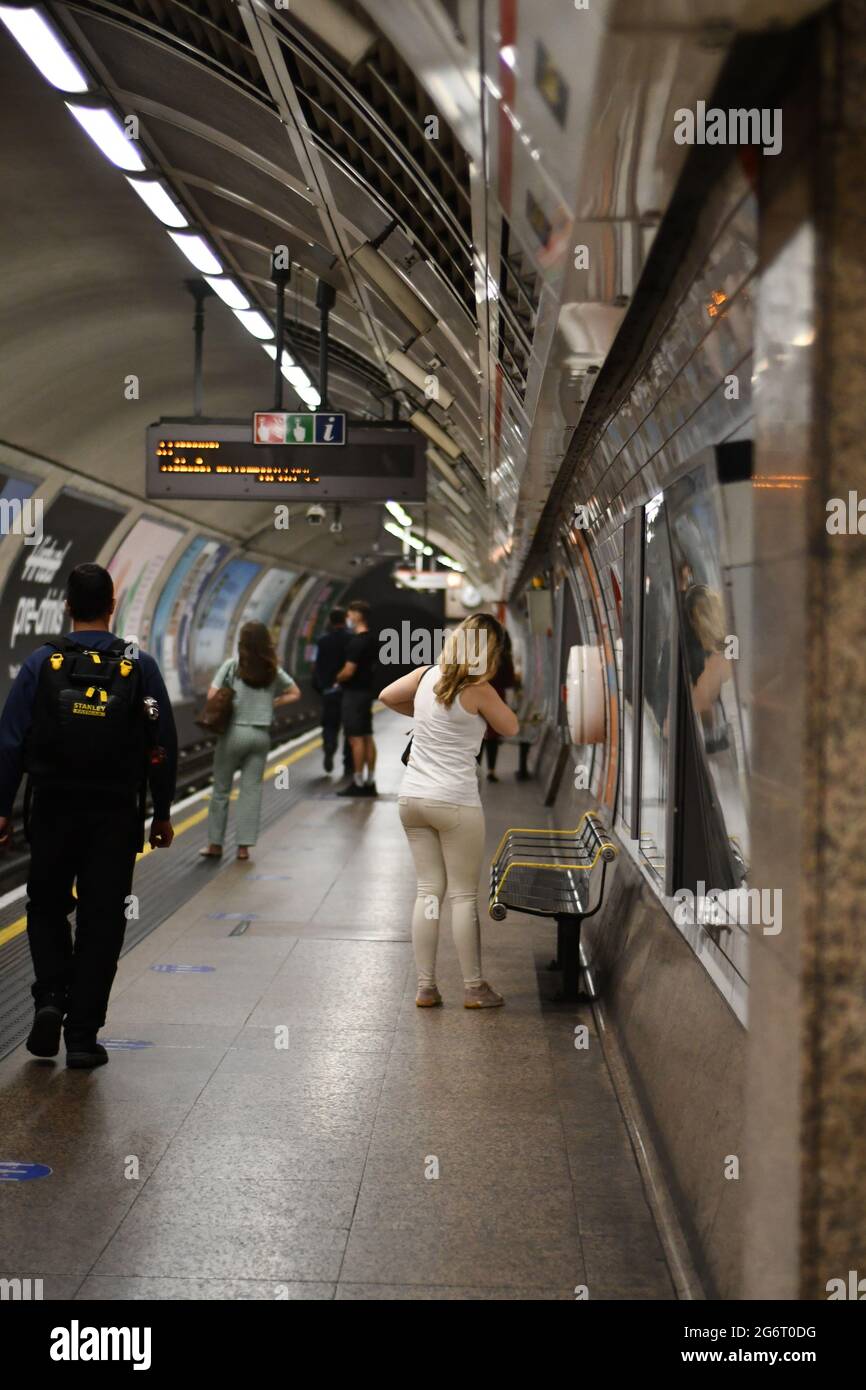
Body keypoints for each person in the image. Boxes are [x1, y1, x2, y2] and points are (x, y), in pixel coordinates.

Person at [0, 563, 178, 1069]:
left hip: (53, 806)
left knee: (47, 905)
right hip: (115, 812)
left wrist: (1, 809)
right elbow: (161, 743)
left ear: (67, 606)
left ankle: (50, 997)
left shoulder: (41, 664)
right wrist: (161, 811)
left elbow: (9, 741)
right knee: (103, 918)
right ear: (113, 605)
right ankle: (81, 1035)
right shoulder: (138, 665)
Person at [380, 613, 519, 1009]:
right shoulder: (480, 689)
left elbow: (387, 696)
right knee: (461, 896)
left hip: (412, 801)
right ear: (491, 651)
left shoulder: (425, 675)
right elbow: (509, 727)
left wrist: (425, 716)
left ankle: (426, 987)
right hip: (455, 802)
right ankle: (474, 989)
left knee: (427, 891)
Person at [200, 621, 301, 862]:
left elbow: (212, 695)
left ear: (242, 643)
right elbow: (296, 692)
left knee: (221, 790)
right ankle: (243, 848)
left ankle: (215, 845)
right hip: (260, 736)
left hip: (233, 734)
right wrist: (273, 703)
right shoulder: (272, 670)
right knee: (251, 791)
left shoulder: (233, 667)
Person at [336, 599, 379, 798]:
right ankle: (370, 781)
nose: (348, 618)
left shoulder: (356, 642)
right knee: (368, 736)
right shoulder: (372, 639)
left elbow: (348, 671)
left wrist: (337, 678)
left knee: (355, 739)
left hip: (353, 695)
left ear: (358, 615)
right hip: (366, 693)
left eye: (350, 614)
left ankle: (358, 782)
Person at [312, 607, 352, 776]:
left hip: (329, 690)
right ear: (345, 619)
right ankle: (348, 764)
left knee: (330, 724)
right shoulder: (352, 639)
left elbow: (317, 666)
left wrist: (320, 686)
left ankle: (329, 746)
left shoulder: (322, 641)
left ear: (330, 621)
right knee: (350, 728)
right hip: (349, 691)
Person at [481, 627, 517, 782]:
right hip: (497, 702)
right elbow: (510, 682)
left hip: (480, 699)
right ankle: (491, 770)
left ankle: (474, 768)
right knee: (493, 738)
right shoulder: (505, 659)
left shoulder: (482, 657)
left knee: (479, 736)